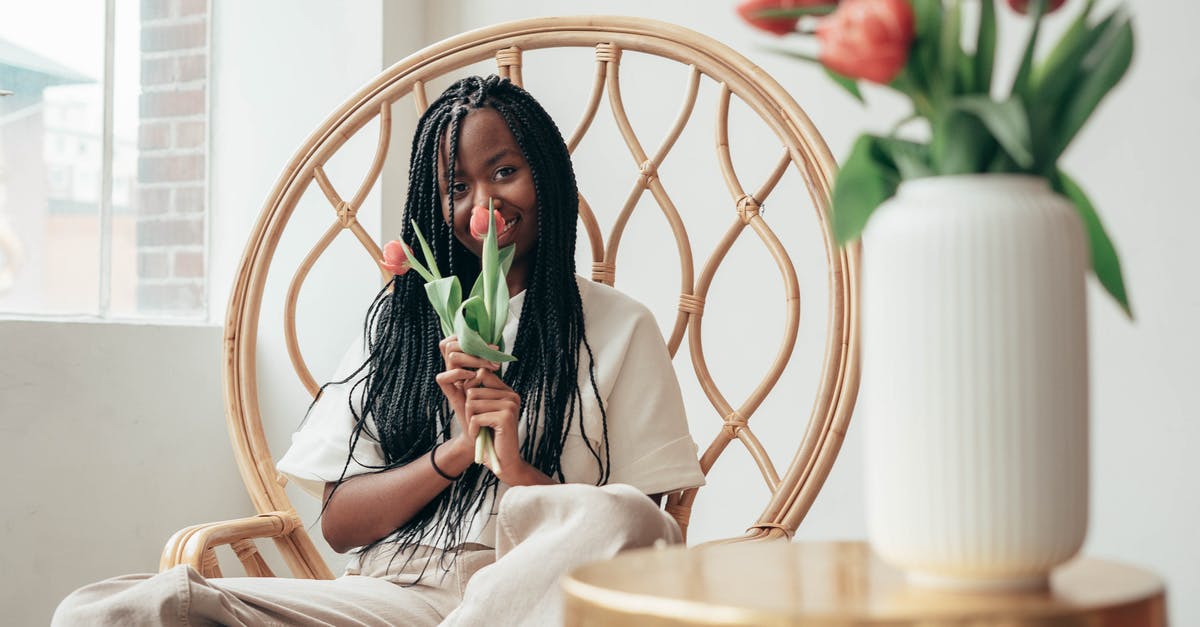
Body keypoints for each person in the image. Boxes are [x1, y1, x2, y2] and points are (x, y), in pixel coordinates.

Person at [53, 75, 705, 626]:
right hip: (382, 597)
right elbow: (339, 524)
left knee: (623, 514)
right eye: (457, 187)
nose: (484, 202)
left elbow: (634, 547)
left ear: (549, 175)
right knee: (110, 607)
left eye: (505, 171)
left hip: (521, 595)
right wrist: (455, 451)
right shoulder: (404, 322)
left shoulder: (621, 327)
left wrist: (510, 463)